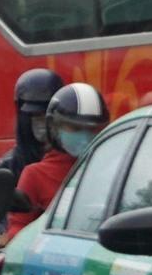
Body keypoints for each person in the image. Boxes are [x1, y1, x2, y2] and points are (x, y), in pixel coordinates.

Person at [7, 82, 109, 238]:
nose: (84, 135)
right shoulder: (35, 175)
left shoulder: (111, 169)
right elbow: (18, 231)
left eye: (93, 129)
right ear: (53, 127)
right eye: (74, 128)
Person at [0, 68, 64, 181]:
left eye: (47, 115)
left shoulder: (75, 161)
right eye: (35, 115)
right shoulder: (7, 168)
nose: (42, 123)